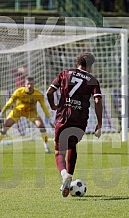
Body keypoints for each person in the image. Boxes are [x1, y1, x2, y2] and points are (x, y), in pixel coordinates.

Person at [46, 52, 103, 197]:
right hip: (80, 119)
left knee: (59, 151)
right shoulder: (92, 80)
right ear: (90, 65)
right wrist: (100, 123)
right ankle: (69, 175)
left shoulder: (65, 73)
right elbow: (97, 101)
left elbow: (49, 92)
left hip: (63, 116)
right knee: (72, 145)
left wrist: (53, 105)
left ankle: (65, 174)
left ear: (77, 62)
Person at [0, 76, 53, 154]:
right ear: (25, 84)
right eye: (28, 84)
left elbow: (44, 107)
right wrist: (1, 115)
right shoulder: (19, 92)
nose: (29, 86)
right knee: (5, 127)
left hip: (31, 112)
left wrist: (49, 118)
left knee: (42, 126)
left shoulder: (38, 94)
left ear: (34, 85)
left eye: (31, 84)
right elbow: (9, 103)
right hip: (18, 111)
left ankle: (47, 147)